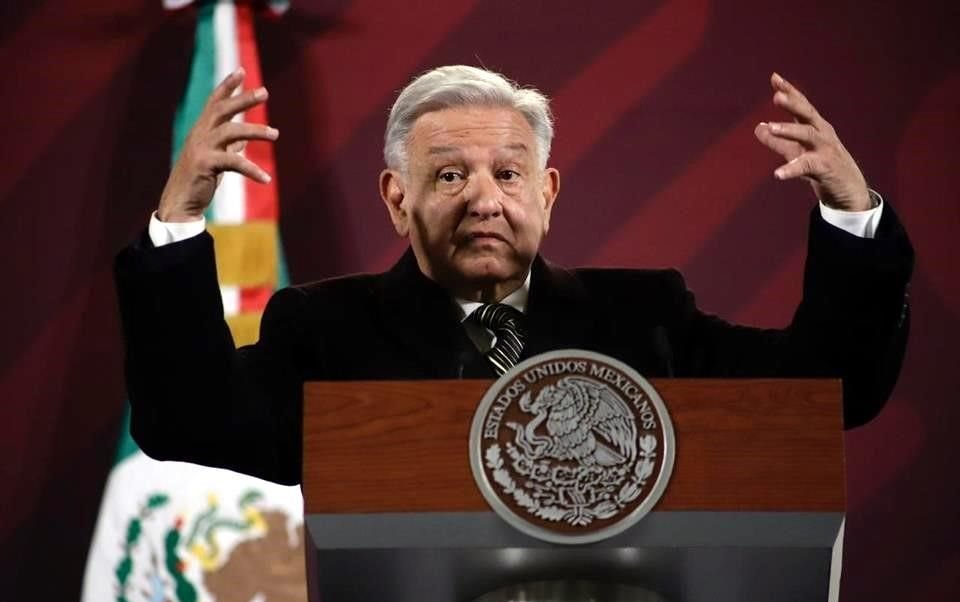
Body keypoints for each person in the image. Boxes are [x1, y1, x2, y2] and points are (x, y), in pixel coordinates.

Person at [115, 65, 913, 486]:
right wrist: (179, 224)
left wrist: (852, 215)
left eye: (508, 172)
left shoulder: (647, 319)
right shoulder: (325, 333)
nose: (486, 200)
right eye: (451, 176)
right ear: (399, 200)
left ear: (547, 193)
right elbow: (185, 418)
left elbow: (826, 390)